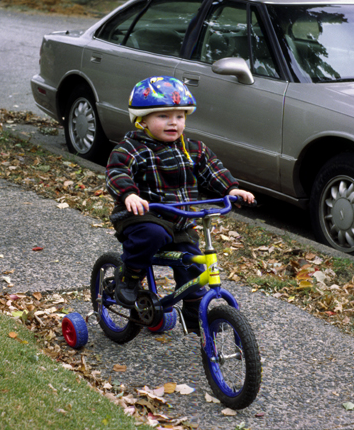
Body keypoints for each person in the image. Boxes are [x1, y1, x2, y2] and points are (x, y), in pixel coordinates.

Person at [105, 76, 255, 331]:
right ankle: (127, 279)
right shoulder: (132, 148)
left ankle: (194, 313)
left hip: (180, 222)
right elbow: (117, 171)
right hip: (143, 216)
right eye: (163, 116)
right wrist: (129, 195)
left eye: (180, 116)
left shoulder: (194, 149)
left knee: (195, 265)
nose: (173, 122)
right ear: (142, 120)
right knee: (152, 234)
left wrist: (232, 188)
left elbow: (213, 170)